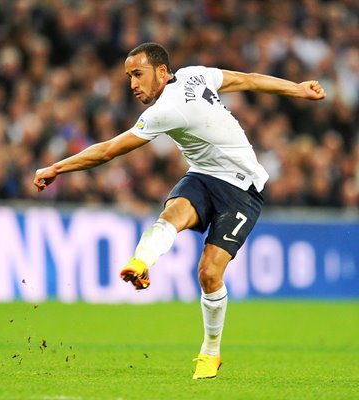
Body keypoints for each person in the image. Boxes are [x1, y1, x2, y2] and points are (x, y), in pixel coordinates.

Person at [33, 42, 326, 379]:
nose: (132, 84)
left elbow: (108, 151)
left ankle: (210, 352)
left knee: (208, 274)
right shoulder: (194, 75)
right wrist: (297, 89)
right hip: (202, 175)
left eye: (138, 74)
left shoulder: (166, 109)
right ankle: (141, 262)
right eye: (129, 76)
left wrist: (56, 168)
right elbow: (246, 80)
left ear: (161, 72)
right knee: (171, 215)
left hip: (243, 188)